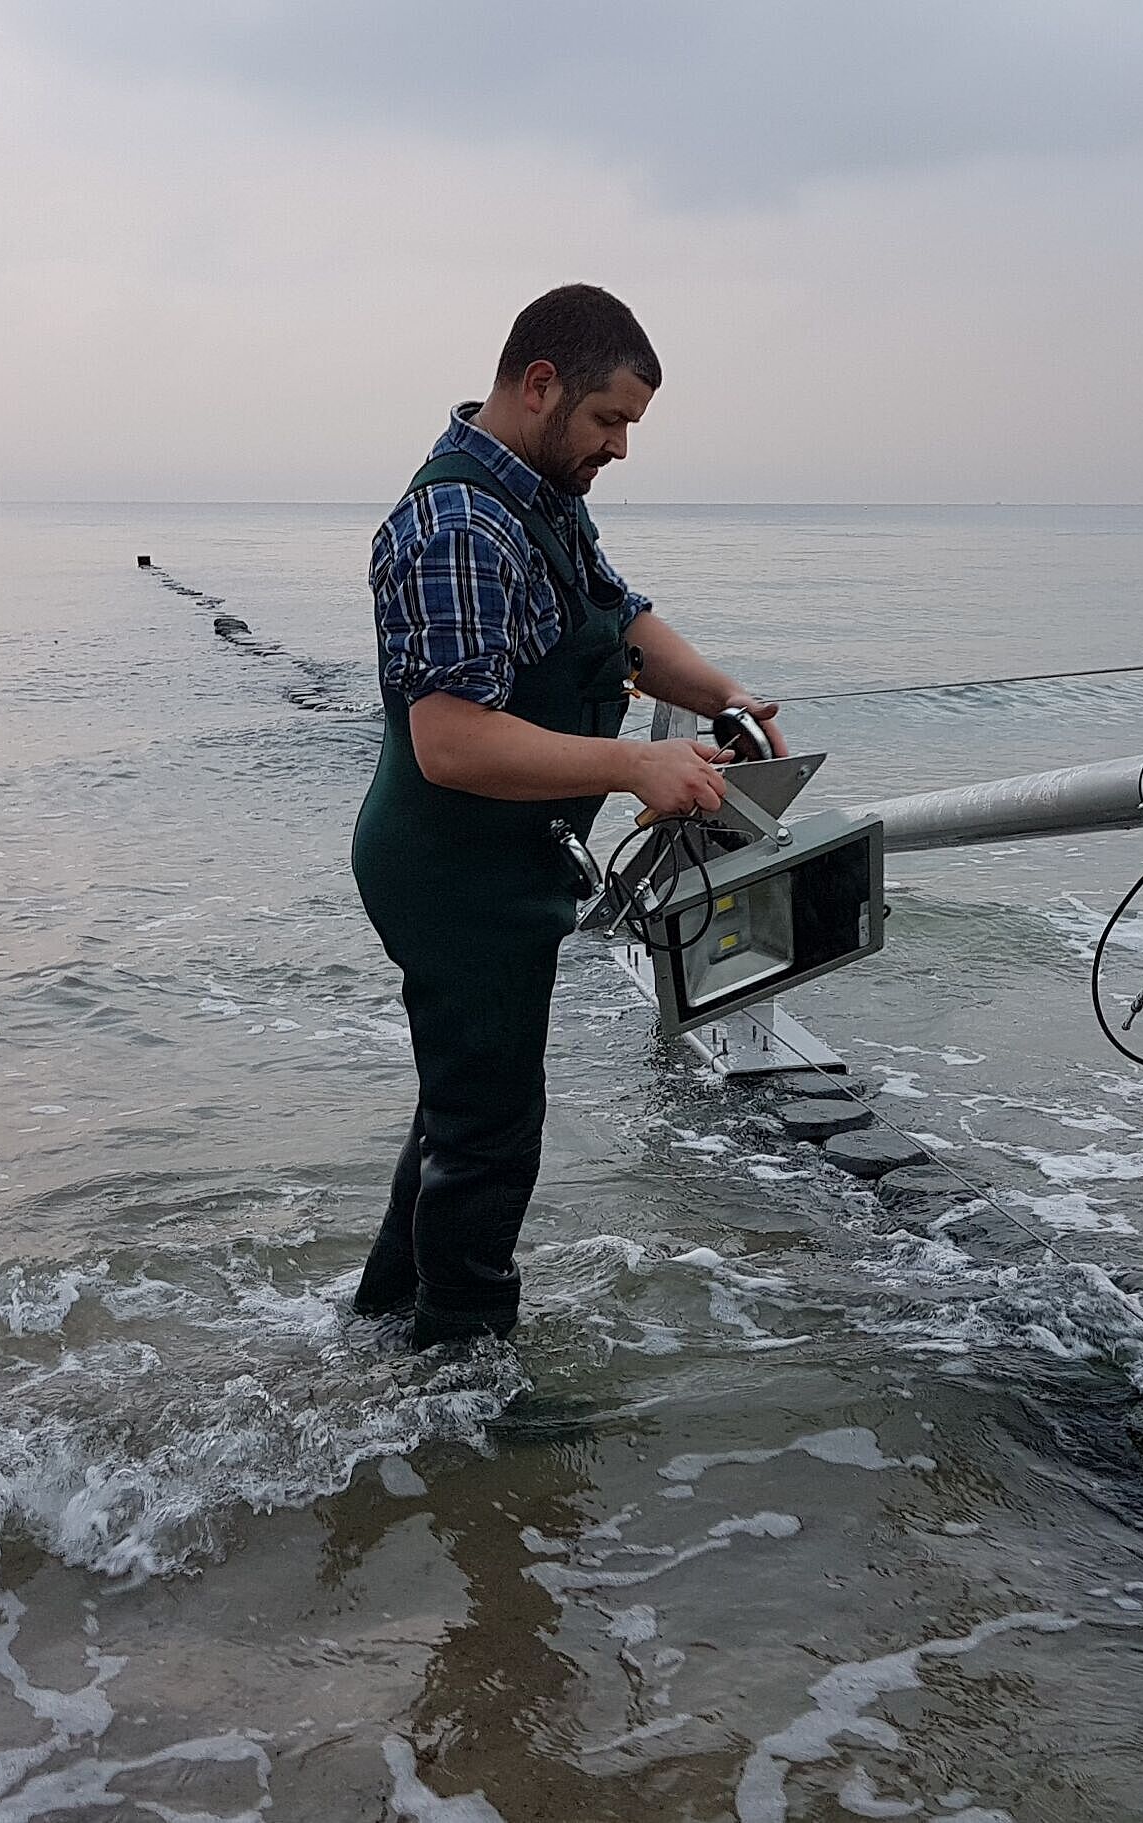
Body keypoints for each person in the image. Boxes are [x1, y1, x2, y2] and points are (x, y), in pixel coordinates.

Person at [350, 284, 787, 1348]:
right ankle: (463, 1381)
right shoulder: (457, 522)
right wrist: (637, 762)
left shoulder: (544, 490)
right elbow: (449, 741)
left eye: (630, 425)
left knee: (463, 1108)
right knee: (492, 1135)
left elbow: (620, 618)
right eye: (610, 421)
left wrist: (727, 696)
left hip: (505, 858)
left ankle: (383, 1320)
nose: (621, 448)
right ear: (539, 384)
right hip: (451, 869)